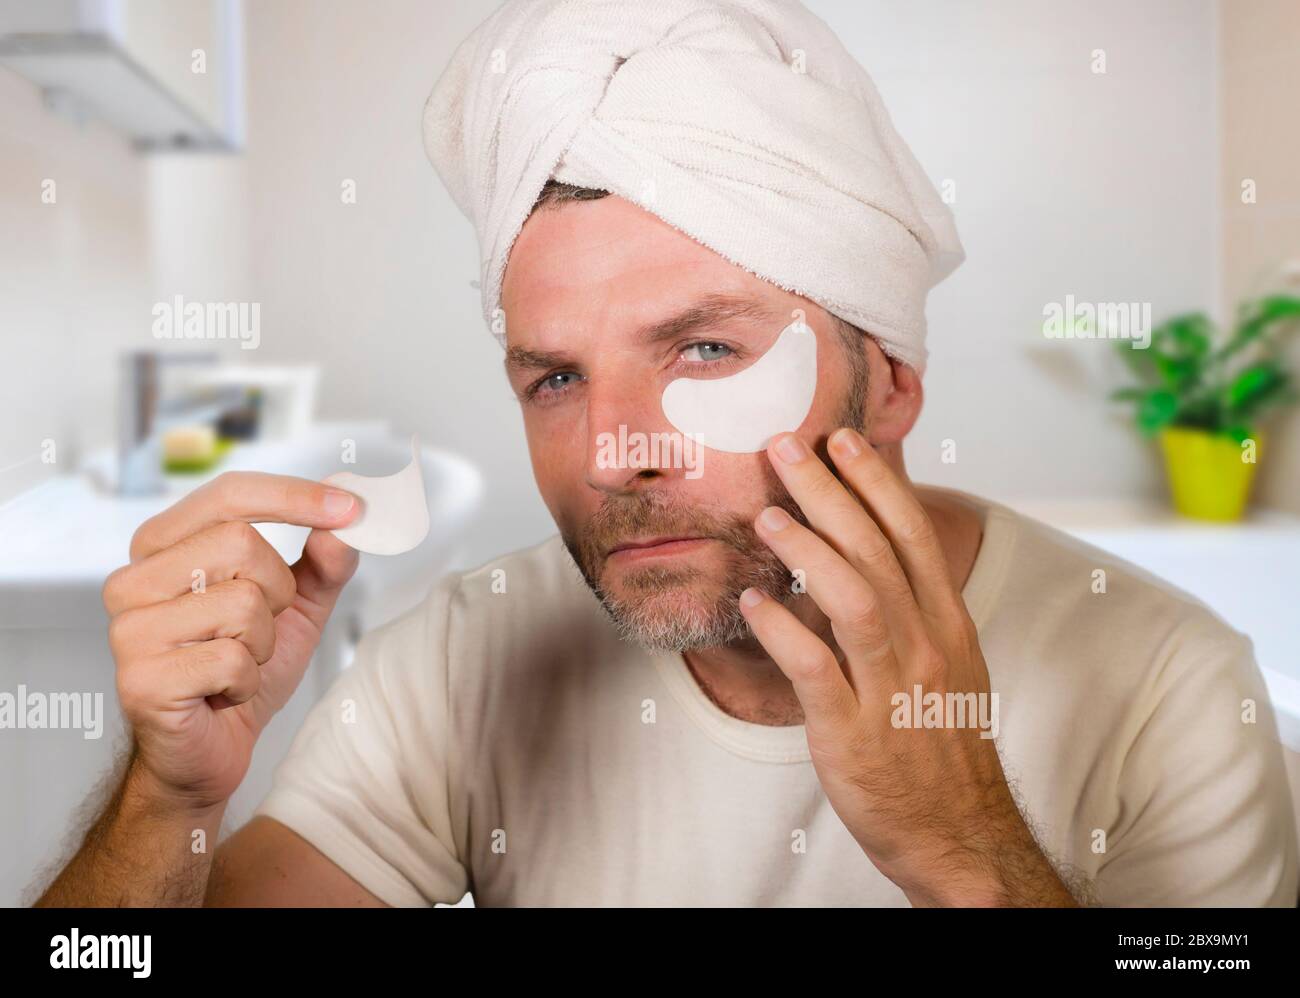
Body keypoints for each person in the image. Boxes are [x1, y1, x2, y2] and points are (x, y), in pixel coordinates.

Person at [36, 0, 1297, 907]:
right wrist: (167, 799)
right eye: (556, 376)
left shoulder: (1167, 693)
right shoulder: (463, 659)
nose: (613, 451)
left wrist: (966, 850)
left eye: (702, 350)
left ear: (896, 381)